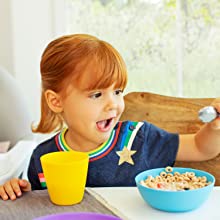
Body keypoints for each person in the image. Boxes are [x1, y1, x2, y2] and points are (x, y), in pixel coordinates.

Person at [0, 34, 220, 201]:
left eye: (118, 92)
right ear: (56, 101)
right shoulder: (44, 158)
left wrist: (215, 128)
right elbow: (42, 207)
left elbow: (201, 148)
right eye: (96, 94)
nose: (113, 104)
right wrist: (18, 190)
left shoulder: (139, 138)